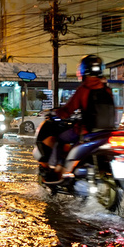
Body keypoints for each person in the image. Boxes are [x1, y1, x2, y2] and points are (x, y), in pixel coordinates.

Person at [35, 54, 114, 183]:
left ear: (83, 71)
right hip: (107, 131)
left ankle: (55, 169)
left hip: (86, 131)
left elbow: (68, 110)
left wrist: (56, 113)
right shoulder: (107, 90)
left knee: (60, 140)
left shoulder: (84, 89)